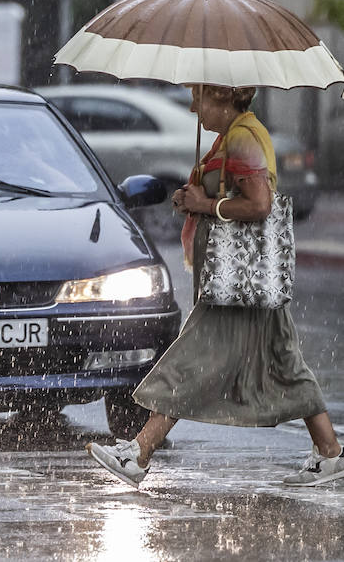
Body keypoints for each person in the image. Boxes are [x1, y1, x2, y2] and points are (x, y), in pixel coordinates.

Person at [86, 84, 343, 488]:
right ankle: (329, 452)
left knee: (190, 359)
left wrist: (205, 205)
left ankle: (138, 453)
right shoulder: (236, 134)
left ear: (224, 97)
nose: (193, 107)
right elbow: (232, 192)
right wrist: (196, 197)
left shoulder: (243, 137)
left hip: (237, 282)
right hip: (250, 283)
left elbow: (259, 204)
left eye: (199, 97)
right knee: (284, 360)